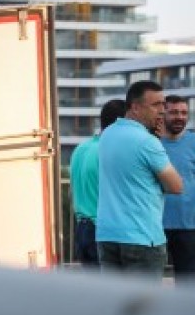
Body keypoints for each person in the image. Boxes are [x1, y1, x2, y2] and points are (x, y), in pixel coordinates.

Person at [96, 81, 184, 278]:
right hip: (142, 238)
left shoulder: (107, 134)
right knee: (144, 299)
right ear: (135, 107)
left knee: (113, 298)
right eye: (156, 105)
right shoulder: (147, 142)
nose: (162, 111)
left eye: (163, 104)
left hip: (107, 235)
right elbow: (176, 186)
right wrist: (157, 143)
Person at [68, 99, 128, 267]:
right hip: (102, 232)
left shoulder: (81, 149)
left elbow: (72, 191)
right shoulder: (109, 152)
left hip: (82, 228)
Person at [160, 95, 195, 282]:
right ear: (163, 113)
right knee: (149, 285)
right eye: (174, 112)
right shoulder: (151, 143)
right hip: (155, 226)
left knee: (187, 284)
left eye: (183, 113)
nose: (179, 117)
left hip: (189, 227)